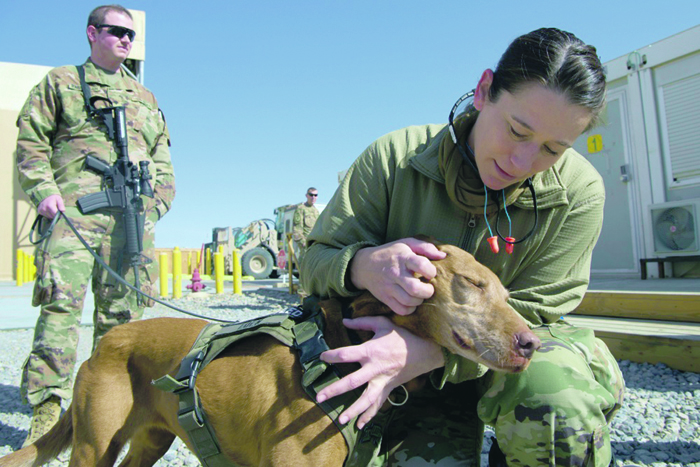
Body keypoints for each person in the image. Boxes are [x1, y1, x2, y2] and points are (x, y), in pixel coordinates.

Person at [301, 28, 625, 466]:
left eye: (553, 149)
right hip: (395, 372)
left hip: (498, 360)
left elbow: (540, 314)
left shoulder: (579, 193)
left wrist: (428, 352)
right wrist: (361, 264)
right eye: (516, 130)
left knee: (555, 398)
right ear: (484, 90)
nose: (522, 163)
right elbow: (315, 260)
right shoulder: (394, 158)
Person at [15, 4, 175, 446]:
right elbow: (30, 141)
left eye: (131, 34)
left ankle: (111, 406)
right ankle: (47, 410)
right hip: (73, 217)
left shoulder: (145, 97)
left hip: (132, 224)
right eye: (117, 31)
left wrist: (155, 207)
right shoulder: (62, 82)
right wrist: (45, 191)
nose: (126, 40)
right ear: (92, 33)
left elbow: (163, 162)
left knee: (125, 322)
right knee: (61, 309)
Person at [291, 187, 320, 262]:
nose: (313, 197)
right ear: (306, 195)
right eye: (311, 195)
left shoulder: (316, 211)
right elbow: (297, 231)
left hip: (315, 247)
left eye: (315, 195)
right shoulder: (301, 209)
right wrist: (304, 245)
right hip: (306, 248)